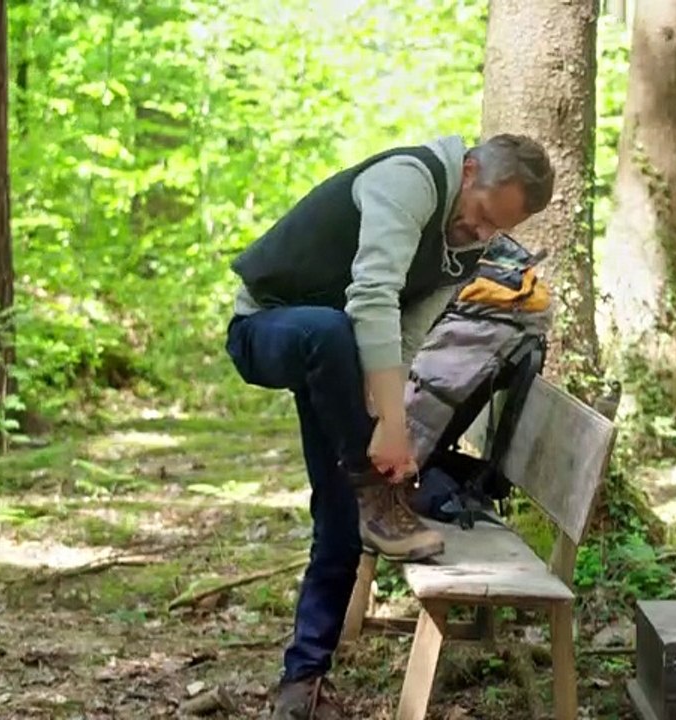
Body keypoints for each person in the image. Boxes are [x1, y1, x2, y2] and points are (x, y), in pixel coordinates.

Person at [223, 133, 555, 719]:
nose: (481, 234)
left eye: (496, 230)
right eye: (481, 215)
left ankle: (304, 680)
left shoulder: (466, 248)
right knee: (328, 332)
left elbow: (405, 336)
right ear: (469, 171)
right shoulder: (408, 181)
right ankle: (375, 493)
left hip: (338, 358)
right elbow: (372, 297)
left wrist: (382, 422)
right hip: (268, 328)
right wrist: (394, 428)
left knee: (340, 504)